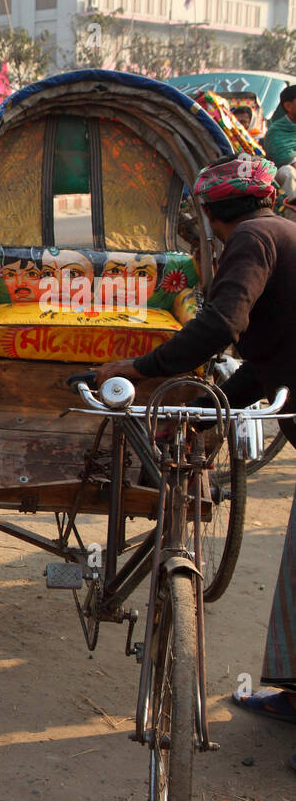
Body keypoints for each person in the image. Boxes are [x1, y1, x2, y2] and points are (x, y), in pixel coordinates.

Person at [95, 153, 296, 761]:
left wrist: (141, 367)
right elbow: (265, 361)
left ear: (209, 216)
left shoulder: (255, 241)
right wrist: (201, 410)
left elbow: (220, 327)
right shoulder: (282, 232)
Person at [263, 85, 296, 202]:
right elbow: (288, 160)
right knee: (288, 171)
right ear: (288, 105)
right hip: (282, 177)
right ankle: (292, 210)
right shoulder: (276, 130)